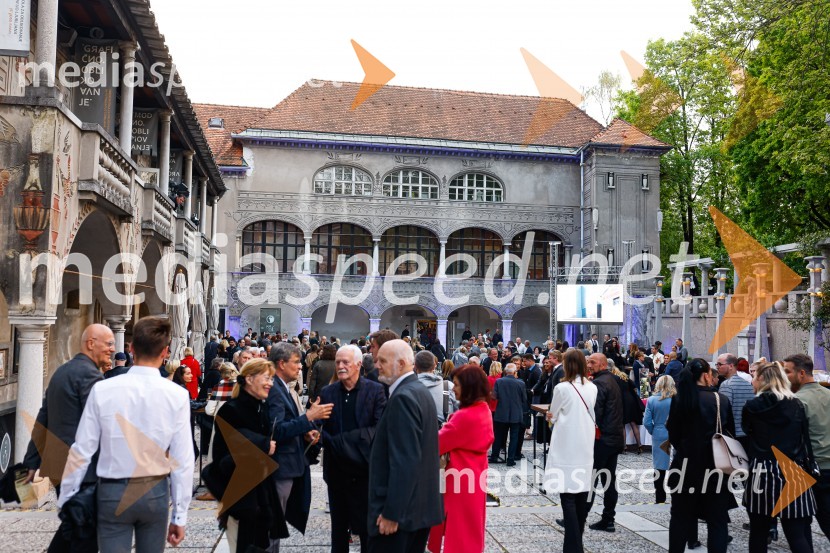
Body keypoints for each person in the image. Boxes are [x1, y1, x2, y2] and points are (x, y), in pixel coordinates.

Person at [58, 316, 194, 551]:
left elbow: (82, 449)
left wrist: (66, 498)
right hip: (154, 490)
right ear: (165, 352)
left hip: (113, 489)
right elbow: (183, 459)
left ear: (130, 348)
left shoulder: (103, 389)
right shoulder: (177, 395)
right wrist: (180, 515)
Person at [23, 324, 112, 552]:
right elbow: (102, 426)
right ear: (91, 344)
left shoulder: (62, 372)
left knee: (74, 527)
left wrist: (32, 461)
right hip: (83, 470)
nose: (112, 349)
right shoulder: (90, 376)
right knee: (85, 534)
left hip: (59, 466)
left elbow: (44, 417)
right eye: (108, 344)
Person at [368, 339, 443, 552]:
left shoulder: (404, 397)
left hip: (401, 517)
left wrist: (392, 513)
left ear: (401, 364)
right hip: (417, 510)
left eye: (382, 361)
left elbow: (405, 461)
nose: (377, 365)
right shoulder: (418, 391)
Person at [206, 358, 288, 550]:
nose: (270, 383)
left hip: (261, 496)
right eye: (266, 378)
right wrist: (262, 446)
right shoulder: (231, 410)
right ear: (250, 379)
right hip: (241, 499)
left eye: (272, 379)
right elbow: (224, 459)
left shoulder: (261, 408)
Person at [742, 361, 816, 552]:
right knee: (796, 533)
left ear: (763, 380)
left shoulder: (752, 405)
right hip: (793, 469)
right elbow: (803, 437)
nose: (752, 382)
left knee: (758, 531)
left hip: (762, 470)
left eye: (755, 377)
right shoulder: (797, 405)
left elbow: (746, 431)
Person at [266, 342, 333, 549]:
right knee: (270, 527)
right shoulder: (275, 389)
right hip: (280, 467)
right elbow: (276, 431)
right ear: (281, 363)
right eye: (296, 362)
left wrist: (305, 432)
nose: (300, 366)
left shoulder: (281, 387)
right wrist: (308, 418)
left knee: (275, 526)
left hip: (286, 464)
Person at [320, 345, 386, 553]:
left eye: (345, 362)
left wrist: (340, 441)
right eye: (338, 362)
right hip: (337, 471)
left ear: (358, 364)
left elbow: (379, 428)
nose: (340, 366)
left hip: (364, 471)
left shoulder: (375, 390)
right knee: (338, 530)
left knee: (367, 529)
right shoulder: (328, 392)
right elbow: (321, 427)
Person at [667, 358, 735, 553]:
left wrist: (686, 447)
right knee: (717, 521)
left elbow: (673, 433)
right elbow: (729, 432)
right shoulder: (720, 399)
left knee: (680, 517)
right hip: (716, 467)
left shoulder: (680, 398)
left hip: (686, 466)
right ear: (706, 375)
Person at [427, 365, 494, 553]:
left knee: (460, 533)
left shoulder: (464, 417)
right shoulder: (483, 409)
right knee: (470, 530)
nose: (453, 389)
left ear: (468, 387)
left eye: (456, 385)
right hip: (474, 477)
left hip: (458, 481)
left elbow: (435, 444)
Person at [544, 349, 598, 553]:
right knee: (581, 494)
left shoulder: (562, 388)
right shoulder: (592, 387)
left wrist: (551, 418)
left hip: (566, 444)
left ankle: (574, 546)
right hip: (584, 443)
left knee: (567, 496)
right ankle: (575, 544)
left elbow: (554, 414)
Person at [784, 354, 830, 540]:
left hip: (811, 469)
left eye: (787, 371)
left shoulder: (796, 401)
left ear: (801, 373)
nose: (784, 376)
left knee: (802, 522)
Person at [582, 353, 624, 532]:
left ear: (603, 364)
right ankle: (608, 518)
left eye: (592, 362)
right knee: (608, 480)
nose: (589, 365)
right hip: (614, 438)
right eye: (588, 361)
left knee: (590, 481)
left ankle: (578, 518)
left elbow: (594, 413)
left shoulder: (599, 383)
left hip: (603, 439)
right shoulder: (612, 380)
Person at [644, 375, 675, 503]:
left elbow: (646, 421)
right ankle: (675, 495)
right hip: (675, 432)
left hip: (659, 432)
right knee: (676, 465)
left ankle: (660, 497)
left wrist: (654, 431)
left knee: (659, 467)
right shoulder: (676, 399)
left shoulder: (651, 400)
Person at [716, 353, 756, 450]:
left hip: (732, 435)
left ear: (731, 366)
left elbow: (723, 412)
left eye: (720, 364)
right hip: (748, 434)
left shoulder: (726, 385)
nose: (717, 367)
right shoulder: (748, 384)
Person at [489, 364, 527, 466]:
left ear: (505, 372)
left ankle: (494, 456)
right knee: (514, 437)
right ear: (515, 372)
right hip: (516, 413)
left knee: (499, 436)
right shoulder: (521, 383)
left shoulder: (499, 381)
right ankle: (510, 459)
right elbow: (524, 399)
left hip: (501, 412)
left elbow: (494, 397)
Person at [415, 350, 457, 424]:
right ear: (435, 365)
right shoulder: (449, 386)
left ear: (415, 366)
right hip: (443, 432)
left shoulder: (406, 388)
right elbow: (460, 412)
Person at [612, 365, 644, 453]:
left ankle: (624, 446)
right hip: (631, 400)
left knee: (622, 425)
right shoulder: (625, 377)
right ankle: (639, 445)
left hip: (622, 401)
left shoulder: (614, 379)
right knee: (633, 424)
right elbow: (634, 387)